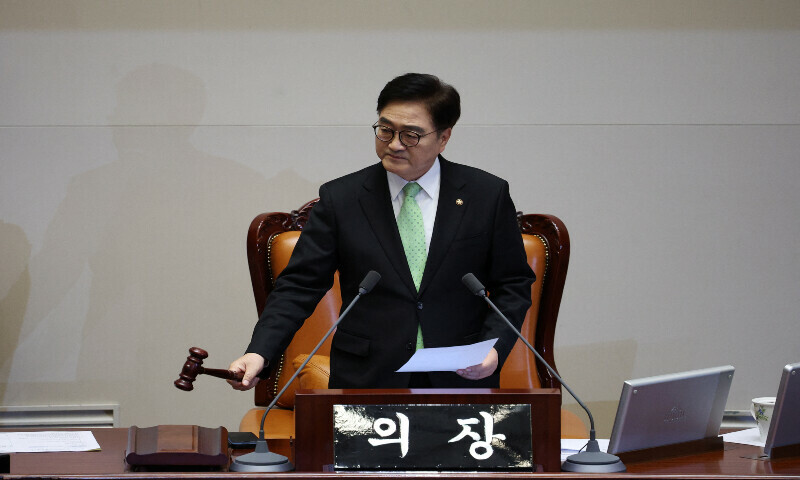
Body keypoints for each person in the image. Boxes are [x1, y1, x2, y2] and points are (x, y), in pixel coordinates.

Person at [228, 73, 535, 391]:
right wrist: (260, 351)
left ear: (444, 137)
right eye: (385, 130)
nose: (394, 144)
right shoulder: (342, 198)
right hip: (367, 378)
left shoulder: (485, 194)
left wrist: (493, 348)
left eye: (411, 135)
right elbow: (298, 286)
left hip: (460, 376)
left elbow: (512, 284)